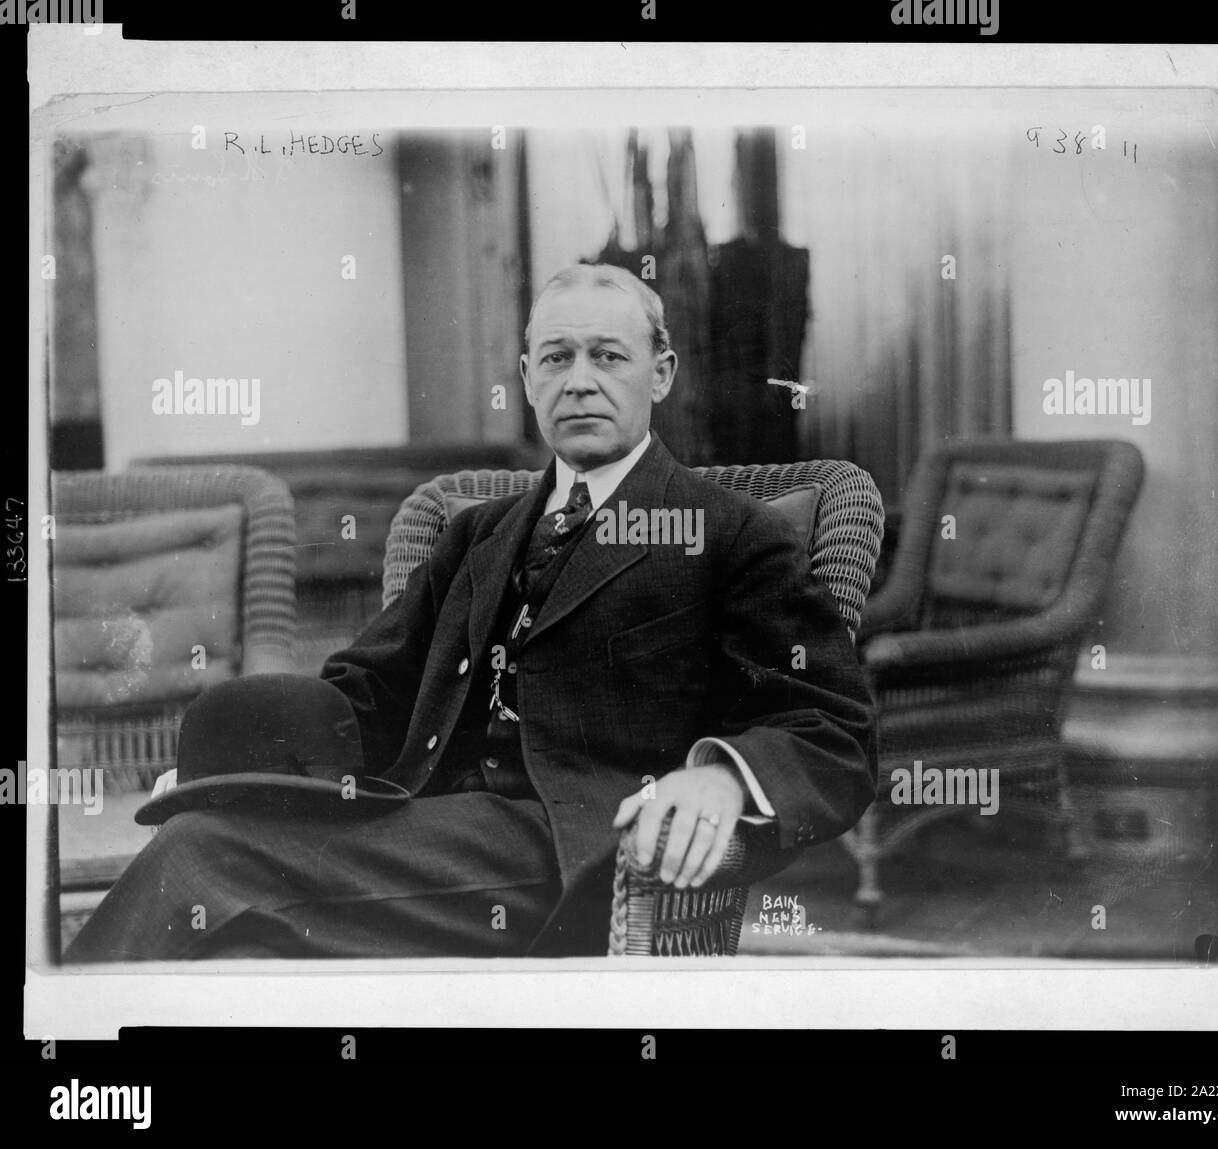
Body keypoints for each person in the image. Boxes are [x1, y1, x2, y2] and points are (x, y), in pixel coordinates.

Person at [66, 263, 877, 961]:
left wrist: (723, 777)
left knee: (204, 856)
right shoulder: (477, 535)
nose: (580, 379)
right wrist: (246, 766)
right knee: (232, 931)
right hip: (419, 828)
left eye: (609, 356)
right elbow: (368, 691)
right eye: (556, 358)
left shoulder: (732, 534)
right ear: (526, 379)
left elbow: (831, 728)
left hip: (569, 849)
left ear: (660, 373)